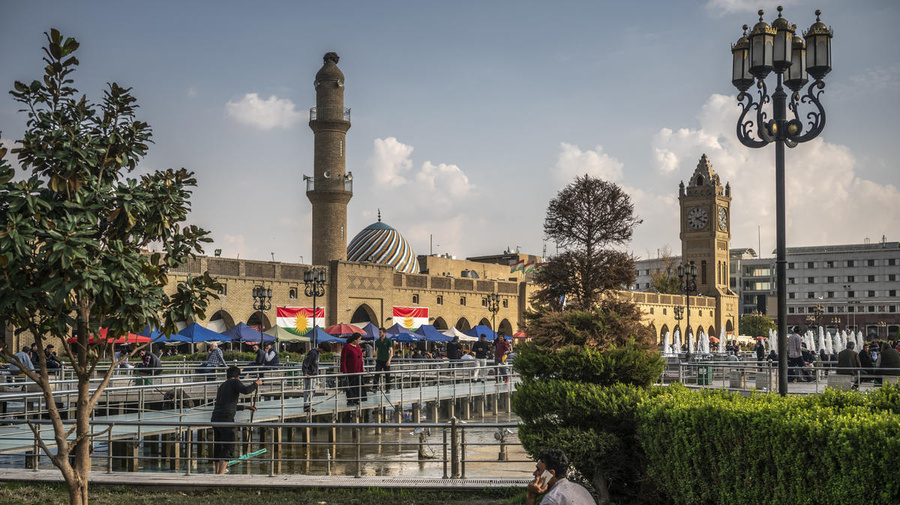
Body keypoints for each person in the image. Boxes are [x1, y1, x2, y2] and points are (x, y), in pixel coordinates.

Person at [211, 366, 261, 474]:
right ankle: (221, 474)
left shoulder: (223, 385)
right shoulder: (235, 382)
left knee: (218, 445)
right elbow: (246, 390)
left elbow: (228, 404)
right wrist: (256, 384)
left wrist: (246, 407)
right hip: (226, 418)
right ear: (238, 376)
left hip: (215, 417)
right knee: (229, 445)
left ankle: (216, 473)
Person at [526, 448, 597, 505]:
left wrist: (531, 497)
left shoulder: (552, 499)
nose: (534, 473)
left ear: (551, 473)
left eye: (538, 469)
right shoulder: (581, 489)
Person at [301, 341, 331, 413]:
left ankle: (308, 405)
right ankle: (306, 406)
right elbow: (305, 362)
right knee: (308, 390)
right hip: (309, 375)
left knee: (312, 390)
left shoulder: (317, 353)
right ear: (322, 349)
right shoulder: (313, 353)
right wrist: (305, 373)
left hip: (313, 375)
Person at [340, 333, 365, 406]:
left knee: (358, 385)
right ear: (355, 339)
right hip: (350, 370)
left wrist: (362, 369)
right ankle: (351, 399)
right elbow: (343, 359)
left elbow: (360, 358)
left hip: (358, 370)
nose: (359, 341)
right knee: (351, 385)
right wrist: (344, 370)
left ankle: (357, 399)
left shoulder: (358, 346)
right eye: (359, 339)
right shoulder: (347, 347)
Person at [374, 328, 393, 393]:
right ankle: (375, 388)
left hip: (386, 360)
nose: (379, 334)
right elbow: (377, 350)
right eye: (379, 332)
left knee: (387, 375)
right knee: (377, 374)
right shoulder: (377, 341)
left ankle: (388, 388)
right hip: (379, 360)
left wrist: (389, 360)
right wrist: (376, 356)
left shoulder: (388, 341)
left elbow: (391, 351)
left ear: (384, 333)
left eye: (380, 332)